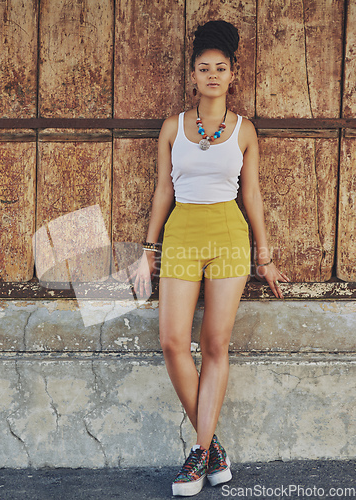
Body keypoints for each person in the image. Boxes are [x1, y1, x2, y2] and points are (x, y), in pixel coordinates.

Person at [132, 20, 290, 497]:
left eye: (221, 68)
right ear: (194, 76)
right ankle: (213, 448)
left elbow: (253, 194)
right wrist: (147, 251)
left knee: (215, 344)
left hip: (229, 235)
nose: (213, 75)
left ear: (232, 74)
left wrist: (263, 255)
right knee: (172, 342)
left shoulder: (245, 131)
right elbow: (163, 190)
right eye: (205, 68)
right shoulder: (172, 128)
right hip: (181, 233)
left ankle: (197, 455)